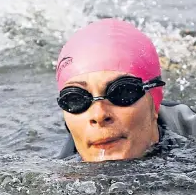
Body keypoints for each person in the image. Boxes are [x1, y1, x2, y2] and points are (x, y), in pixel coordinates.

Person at [56, 18, 196, 162]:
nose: (99, 115)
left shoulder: (190, 133)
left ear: (155, 101)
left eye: (122, 92)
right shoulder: (58, 175)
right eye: (75, 99)